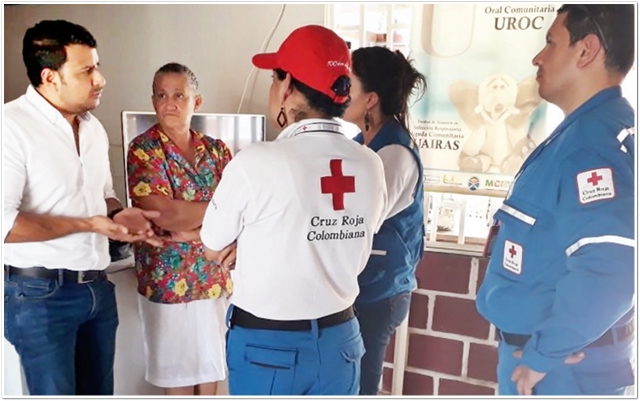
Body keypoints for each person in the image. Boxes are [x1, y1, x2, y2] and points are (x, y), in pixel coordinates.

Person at [198, 25, 388, 396]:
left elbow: (211, 245)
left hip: (269, 349)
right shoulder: (370, 163)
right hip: (341, 343)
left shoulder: (257, 161)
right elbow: (343, 234)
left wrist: (248, 244)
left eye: (274, 78)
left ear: (286, 87)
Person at [476, 4, 635, 396]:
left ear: (586, 51)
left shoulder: (593, 146)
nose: (538, 57)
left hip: (558, 373)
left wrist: (543, 356)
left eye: (550, 43)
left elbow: (610, 269)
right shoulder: (581, 134)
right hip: (551, 362)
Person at [3, 19, 160, 396]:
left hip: (97, 289)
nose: (100, 79)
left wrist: (119, 215)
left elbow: (103, 195)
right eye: (86, 71)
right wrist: (89, 225)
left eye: (97, 67)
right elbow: (5, 225)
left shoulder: (93, 129)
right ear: (50, 77)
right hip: (40, 296)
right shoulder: (10, 126)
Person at [126, 63, 233, 396]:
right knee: (179, 380)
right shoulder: (144, 149)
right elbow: (163, 213)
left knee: (211, 373)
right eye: (161, 95)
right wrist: (215, 212)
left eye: (178, 95)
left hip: (213, 279)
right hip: (168, 284)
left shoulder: (217, 150)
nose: (169, 103)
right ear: (153, 101)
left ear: (196, 101)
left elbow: (238, 212)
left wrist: (193, 231)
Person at [341, 46, 427, 395]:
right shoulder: (360, 143)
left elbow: (359, 222)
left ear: (370, 99)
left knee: (362, 385)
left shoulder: (394, 154)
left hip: (380, 288)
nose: (339, 92)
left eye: (347, 84)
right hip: (361, 284)